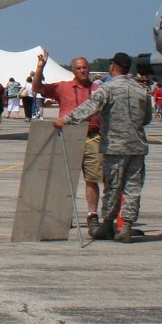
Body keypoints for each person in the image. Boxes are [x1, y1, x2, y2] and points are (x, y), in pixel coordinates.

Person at [54, 52, 152, 243]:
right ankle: (127, 226)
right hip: (137, 146)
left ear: (113, 67)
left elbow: (90, 107)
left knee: (112, 186)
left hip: (114, 146)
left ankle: (107, 224)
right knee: (132, 188)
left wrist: (67, 119)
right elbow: (147, 118)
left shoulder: (108, 88)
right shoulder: (141, 90)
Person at [33, 52, 104, 232]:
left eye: (85, 68)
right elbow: (37, 88)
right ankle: (63, 214)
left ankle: (92, 214)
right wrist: (40, 67)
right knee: (65, 179)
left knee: (92, 178)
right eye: (79, 68)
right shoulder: (63, 87)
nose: (82, 71)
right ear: (73, 71)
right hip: (68, 137)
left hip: (92, 137)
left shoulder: (98, 88)